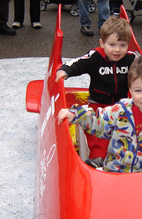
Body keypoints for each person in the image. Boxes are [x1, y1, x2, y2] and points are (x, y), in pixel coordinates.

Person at [58, 55, 142, 173]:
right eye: (139, 91)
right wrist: (76, 115)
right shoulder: (120, 110)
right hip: (114, 175)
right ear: (130, 90)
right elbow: (98, 123)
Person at [56, 16, 136, 168]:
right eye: (112, 45)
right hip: (98, 104)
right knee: (99, 130)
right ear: (102, 43)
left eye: (122, 45)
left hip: (122, 105)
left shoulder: (131, 59)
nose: (117, 50)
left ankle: (126, 159)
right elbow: (79, 63)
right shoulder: (96, 56)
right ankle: (97, 158)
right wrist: (65, 71)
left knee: (127, 129)